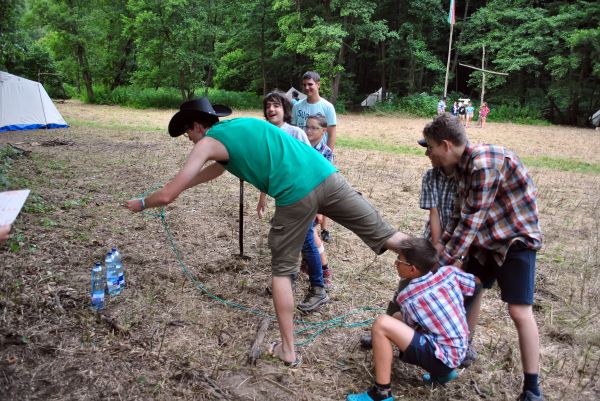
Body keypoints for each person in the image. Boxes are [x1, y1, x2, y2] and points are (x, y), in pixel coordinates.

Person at [126, 97, 410, 369]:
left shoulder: (209, 142)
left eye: (187, 131)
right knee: (388, 236)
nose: (188, 138)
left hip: (295, 193)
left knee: (282, 272)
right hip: (326, 175)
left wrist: (141, 203)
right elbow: (215, 171)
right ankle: (437, 263)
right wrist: (181, 186)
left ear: (197, 126)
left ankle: (288, 350)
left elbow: (166, 196)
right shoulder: (239, 127)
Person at [422, 113, 544, 401]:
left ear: (446, 144)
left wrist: (443, 261)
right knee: (469, 290)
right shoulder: (460, 170)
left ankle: (532, 387)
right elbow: (457, 217)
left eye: (431, 147)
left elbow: (472, 220)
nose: (429, 154)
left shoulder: (482, 164)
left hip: (514, 240)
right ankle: (459, 353)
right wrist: (439, 250)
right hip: (485, 240)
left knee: (519, 311)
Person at [347, 237, 477, 401]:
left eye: (399, 260)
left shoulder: (410, 297)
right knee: (396, 318)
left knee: (382, 324)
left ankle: (381, 393)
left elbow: (410, 327)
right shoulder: (449, 273)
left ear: (413, 270)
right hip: (459, 350)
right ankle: (445, 374)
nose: (396, 263)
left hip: (443, 359)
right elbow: (474, 284)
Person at [257, 90, 328, 312]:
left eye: (276, 105)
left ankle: (319, 288)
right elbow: (267, 170)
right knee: (289, 240)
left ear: (285, 109)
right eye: (268, 106)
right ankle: (288, 278)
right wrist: (262, 198)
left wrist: (315, 201)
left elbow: (310, 161)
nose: (271, 109)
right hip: (284, 197)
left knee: (306, 240)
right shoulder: (266, 134)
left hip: (303, 194)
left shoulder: (295, 132)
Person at [291, 71, 337, 243]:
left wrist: (327, 157)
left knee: (323, 192)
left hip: (321, 155)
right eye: (305, 85)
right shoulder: (297, 106)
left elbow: (332, 133)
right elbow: (294, 131)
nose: (307, 87)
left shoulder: (327, 107)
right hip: (303, 155)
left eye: (310, 84)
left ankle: (324, 228)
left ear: (318, 84)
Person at [304, 114, 334, 289]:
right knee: (306, 236)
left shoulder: (326, 153)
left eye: (313, 128)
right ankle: (307, 264)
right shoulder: (301, 147)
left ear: (324, 131)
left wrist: (320, 209)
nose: (309, 130)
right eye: (307, 127)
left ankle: (325, 270)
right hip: (301, 199)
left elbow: (325, 182)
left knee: (311, 236)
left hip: (315, 201)